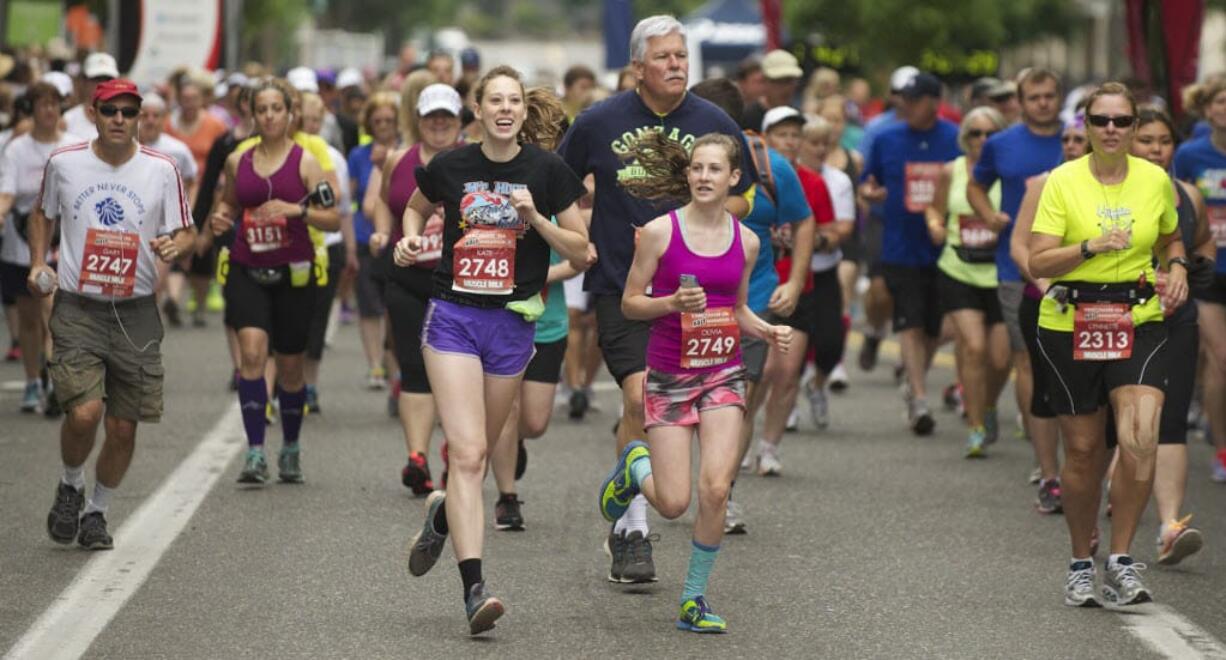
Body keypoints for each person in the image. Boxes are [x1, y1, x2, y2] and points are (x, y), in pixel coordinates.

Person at [558, 14, 754, 583]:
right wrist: (581, 237)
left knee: (683, 421)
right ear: (638, 67)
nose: (676, 65)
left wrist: (706, 217)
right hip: (628, 290)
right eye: (664, 57)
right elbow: (561, 182)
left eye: (681, 56)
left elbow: (747, 197)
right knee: (641, 401)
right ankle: (632, 529)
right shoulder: (599, 121)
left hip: (699, 301)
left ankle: (645, 483)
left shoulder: (712, 121)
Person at [397, 66, 588, 635]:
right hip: (453, 317)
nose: (505, 110)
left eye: (514, 101)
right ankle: (473, 589)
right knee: (471, 452)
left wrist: (534, 220)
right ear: (476, 110)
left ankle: (441, 517)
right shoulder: (451, 165)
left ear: (524, 112)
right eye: (494, 101)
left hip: (512, 327)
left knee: (472, 459)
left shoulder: (549, 170)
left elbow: (582, 251)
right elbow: (414, 207)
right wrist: (412, 236)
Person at [598, 130, 791, 633]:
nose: (704, 177)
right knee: (672, 502)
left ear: (733, 178)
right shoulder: (661, 232)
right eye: (697, 168)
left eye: (714, 170)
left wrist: (767, 330)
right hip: (668, 375)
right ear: (687, 175)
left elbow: (738, 308)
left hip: (723, 373)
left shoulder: (746, 241)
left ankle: (693, 599)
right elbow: (629, 303)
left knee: (715, 487)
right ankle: (633, 467)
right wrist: (670, 305)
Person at [1029, 82, 1188, 607]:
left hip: (1139, 317)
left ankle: (1120, 558)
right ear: (1087, 127)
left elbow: (1169, 235)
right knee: (1082, 451)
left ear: (1136, 126)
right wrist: (1090, 245)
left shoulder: (1155, 180)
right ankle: (1080, 560)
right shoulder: (1062, 181)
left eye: (1123, 122)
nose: (1112, 131)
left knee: (1140, 436)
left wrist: (1179, 266)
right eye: (1101, 121)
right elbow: (1038, 262)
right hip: (1071, 319)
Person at [32, 79, 196, 550]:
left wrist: (175, 245)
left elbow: (187, 231)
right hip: (79, 307)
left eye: (129, 111)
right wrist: (39, 260)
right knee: (84, 414)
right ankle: (70, 484)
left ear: (140, 116)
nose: (120, 119)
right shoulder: (65, 163)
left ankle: (97, 513)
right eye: (110, 111)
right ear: (93, 113)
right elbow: (41, 214)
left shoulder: (162, 169)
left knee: (123, 425)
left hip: (136, 311)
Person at [208, 77, 339, 485]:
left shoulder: (306, 162)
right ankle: (254, 451)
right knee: (251, 354)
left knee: (290, 366)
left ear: (290, 114)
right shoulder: (237, 160)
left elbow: (333, 217)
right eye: (261, 109)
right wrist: (221, 218)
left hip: (294, 275)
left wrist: (295, 211)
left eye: (276, 109)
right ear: (252, 114)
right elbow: (229, 200)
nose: (268, 116)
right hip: (247, 268)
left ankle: (291, 446)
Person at [487, 87, 592, 530]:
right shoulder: (492, 176)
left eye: (550, 136)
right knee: (506, 410)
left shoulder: (561, 183)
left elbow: (583, 257)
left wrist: (538, 277)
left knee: (535, 420)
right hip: (498, 313)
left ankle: (516, 447)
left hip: (545, 320)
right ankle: (507, 496)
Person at [968, 67, 1065, 484]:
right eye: (1035, 96)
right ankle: (1041, 456)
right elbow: (976, 186)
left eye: (1049, 96)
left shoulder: (1079, 141)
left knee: (1063, 362)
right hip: (1017, 267)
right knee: (1026, 358)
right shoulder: (1002, 144)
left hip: (1072, 267)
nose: (1043, 103)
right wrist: (990, 216)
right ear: (1020, 102)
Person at [1125, 107, 1212, 565]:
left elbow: (1201, 245)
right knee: (1126, 427)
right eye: (1147, 140)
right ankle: (1115, 501)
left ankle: (1169, 526)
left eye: (1163, 141)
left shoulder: (1188, 193)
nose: (1157, 149)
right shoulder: (1110, 192)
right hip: (1118, 318)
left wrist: (1195, 269)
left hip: (1176, 315)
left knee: (1171, 420)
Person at [370, 83, 462, 493]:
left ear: (459, 120)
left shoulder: (472, 159)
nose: (439, 123)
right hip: (407, 279)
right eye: (431, 116)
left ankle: (453, 452)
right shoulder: (397, 160)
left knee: (454, 374)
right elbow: (383, 205)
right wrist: (382, 233)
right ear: (419, 119)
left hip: (459, 284)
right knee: (413, 367)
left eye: (446, 116)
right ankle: (417, 457)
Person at [860, 72, 961, 434]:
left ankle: (914, 381)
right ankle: (919, 399)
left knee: (934, 327)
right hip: (900, 244)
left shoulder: (955, 139)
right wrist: (870, 195)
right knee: (910, 321)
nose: (907, 105)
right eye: (904, 98)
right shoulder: (886, 138)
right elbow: (868, 182)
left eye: (915, 99)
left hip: (945, 246)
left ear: (934, 102)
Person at [1010, 113, 1090, 513]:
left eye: (1080, 139)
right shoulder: (1043, 184)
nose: (1073, 145)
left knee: (1094, 393)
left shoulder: (1109, 189)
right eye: (1068, 139)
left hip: (1096, 304)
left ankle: (1094, 475)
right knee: (1046, 389)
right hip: (1042, 299)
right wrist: (1047, 286)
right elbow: (1019, 246)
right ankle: (1049, 475)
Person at [924, 106, 1009, 457]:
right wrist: (935, 226)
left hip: (1001, 270)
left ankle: (988, 404)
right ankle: (975, 425)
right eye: (975, 133)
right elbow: (934, 208)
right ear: (965, 138)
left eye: (990, 133)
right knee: (973, 347)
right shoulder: (951, 170)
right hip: (958, 267)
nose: (983, 140)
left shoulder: (1009, 170)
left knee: (1001, 360)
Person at [0, 81, 80, 414]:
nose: (48, 110)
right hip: (21, 236)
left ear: (61, 108)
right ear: (31, 109)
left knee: (54, 311)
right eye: (41, 104)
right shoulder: (17, 149)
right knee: (29, 318)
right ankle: (33, 380)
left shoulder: (76, 146)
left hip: (62, 236)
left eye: (54, 104)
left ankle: (52, 376)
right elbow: (7, 191)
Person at [1172, 77, 1226, 483]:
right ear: (1206, 109)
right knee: (1220, 358)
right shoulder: (1190, 154)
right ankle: (1222, 450)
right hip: (1208, 269)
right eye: (1220, 102)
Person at [298, 91, 355, 414]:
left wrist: (349, 250)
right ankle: (283, 384)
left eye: (317, 121)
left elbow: (343, 209)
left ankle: (310, 384)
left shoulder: (333, 158)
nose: (312, 126)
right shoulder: (281, 154)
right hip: (290, 246)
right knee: (292, 320)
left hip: (326, 247)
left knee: (318, 320)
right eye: (306, 120)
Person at [739, 50, 802, 133]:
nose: (785, 88)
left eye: (789, 81)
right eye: (778, 81)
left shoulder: (798, 116)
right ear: (765, 81)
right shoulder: (747, 118)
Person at [62, 52, 117, 139]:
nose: (102, 84)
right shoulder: (68, 120)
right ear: (84, 81)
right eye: (96, 79)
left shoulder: (123, 120)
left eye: (107, 79)